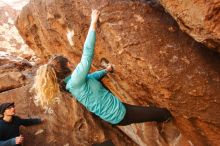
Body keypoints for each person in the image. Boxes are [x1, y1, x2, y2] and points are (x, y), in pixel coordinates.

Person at [32, 9, 172, 126]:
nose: (72, 62)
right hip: (119, 114)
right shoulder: (75, 80)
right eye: (69, 61)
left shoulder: (70, 84)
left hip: (112, 115)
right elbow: (87, 53)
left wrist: (105, 71)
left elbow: (90, 78)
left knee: (145, 112)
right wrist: (93, 22)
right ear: (68, 65)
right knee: (161, 113)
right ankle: (167, 119)